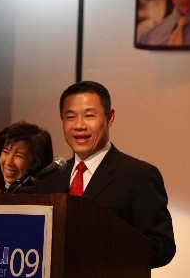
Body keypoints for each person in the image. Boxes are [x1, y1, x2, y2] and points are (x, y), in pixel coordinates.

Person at [26, 81, 176, 268]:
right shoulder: (49, 179)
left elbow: (162, 248)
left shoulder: (139, 176)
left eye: (89, 116)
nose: (79, 125)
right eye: (70, 117)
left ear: (109, 117)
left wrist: (101, 243)